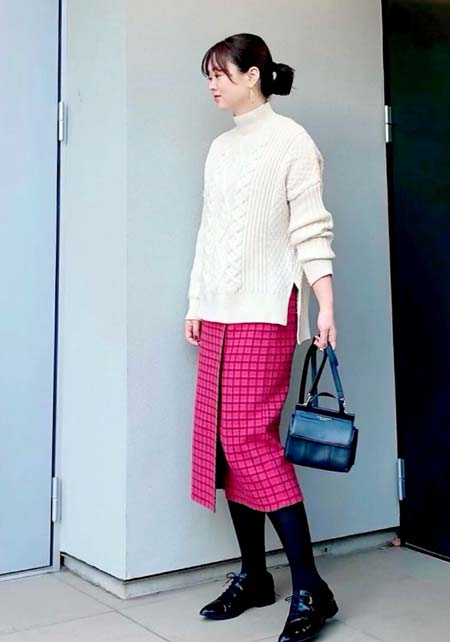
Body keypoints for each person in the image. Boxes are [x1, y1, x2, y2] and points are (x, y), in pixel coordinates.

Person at [184, 33, 338, 642]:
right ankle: (254, 577)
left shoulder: (292, 141)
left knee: (250, 440)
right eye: (208, 76)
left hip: (268, 310)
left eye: (220, 73)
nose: (212, 85)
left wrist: (326, 304)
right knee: (223, 447)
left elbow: (312, 228)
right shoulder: (220, 148)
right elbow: (209, 231)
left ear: (253, 75)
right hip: (218, 313)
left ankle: (310, 587)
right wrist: (196, 303)